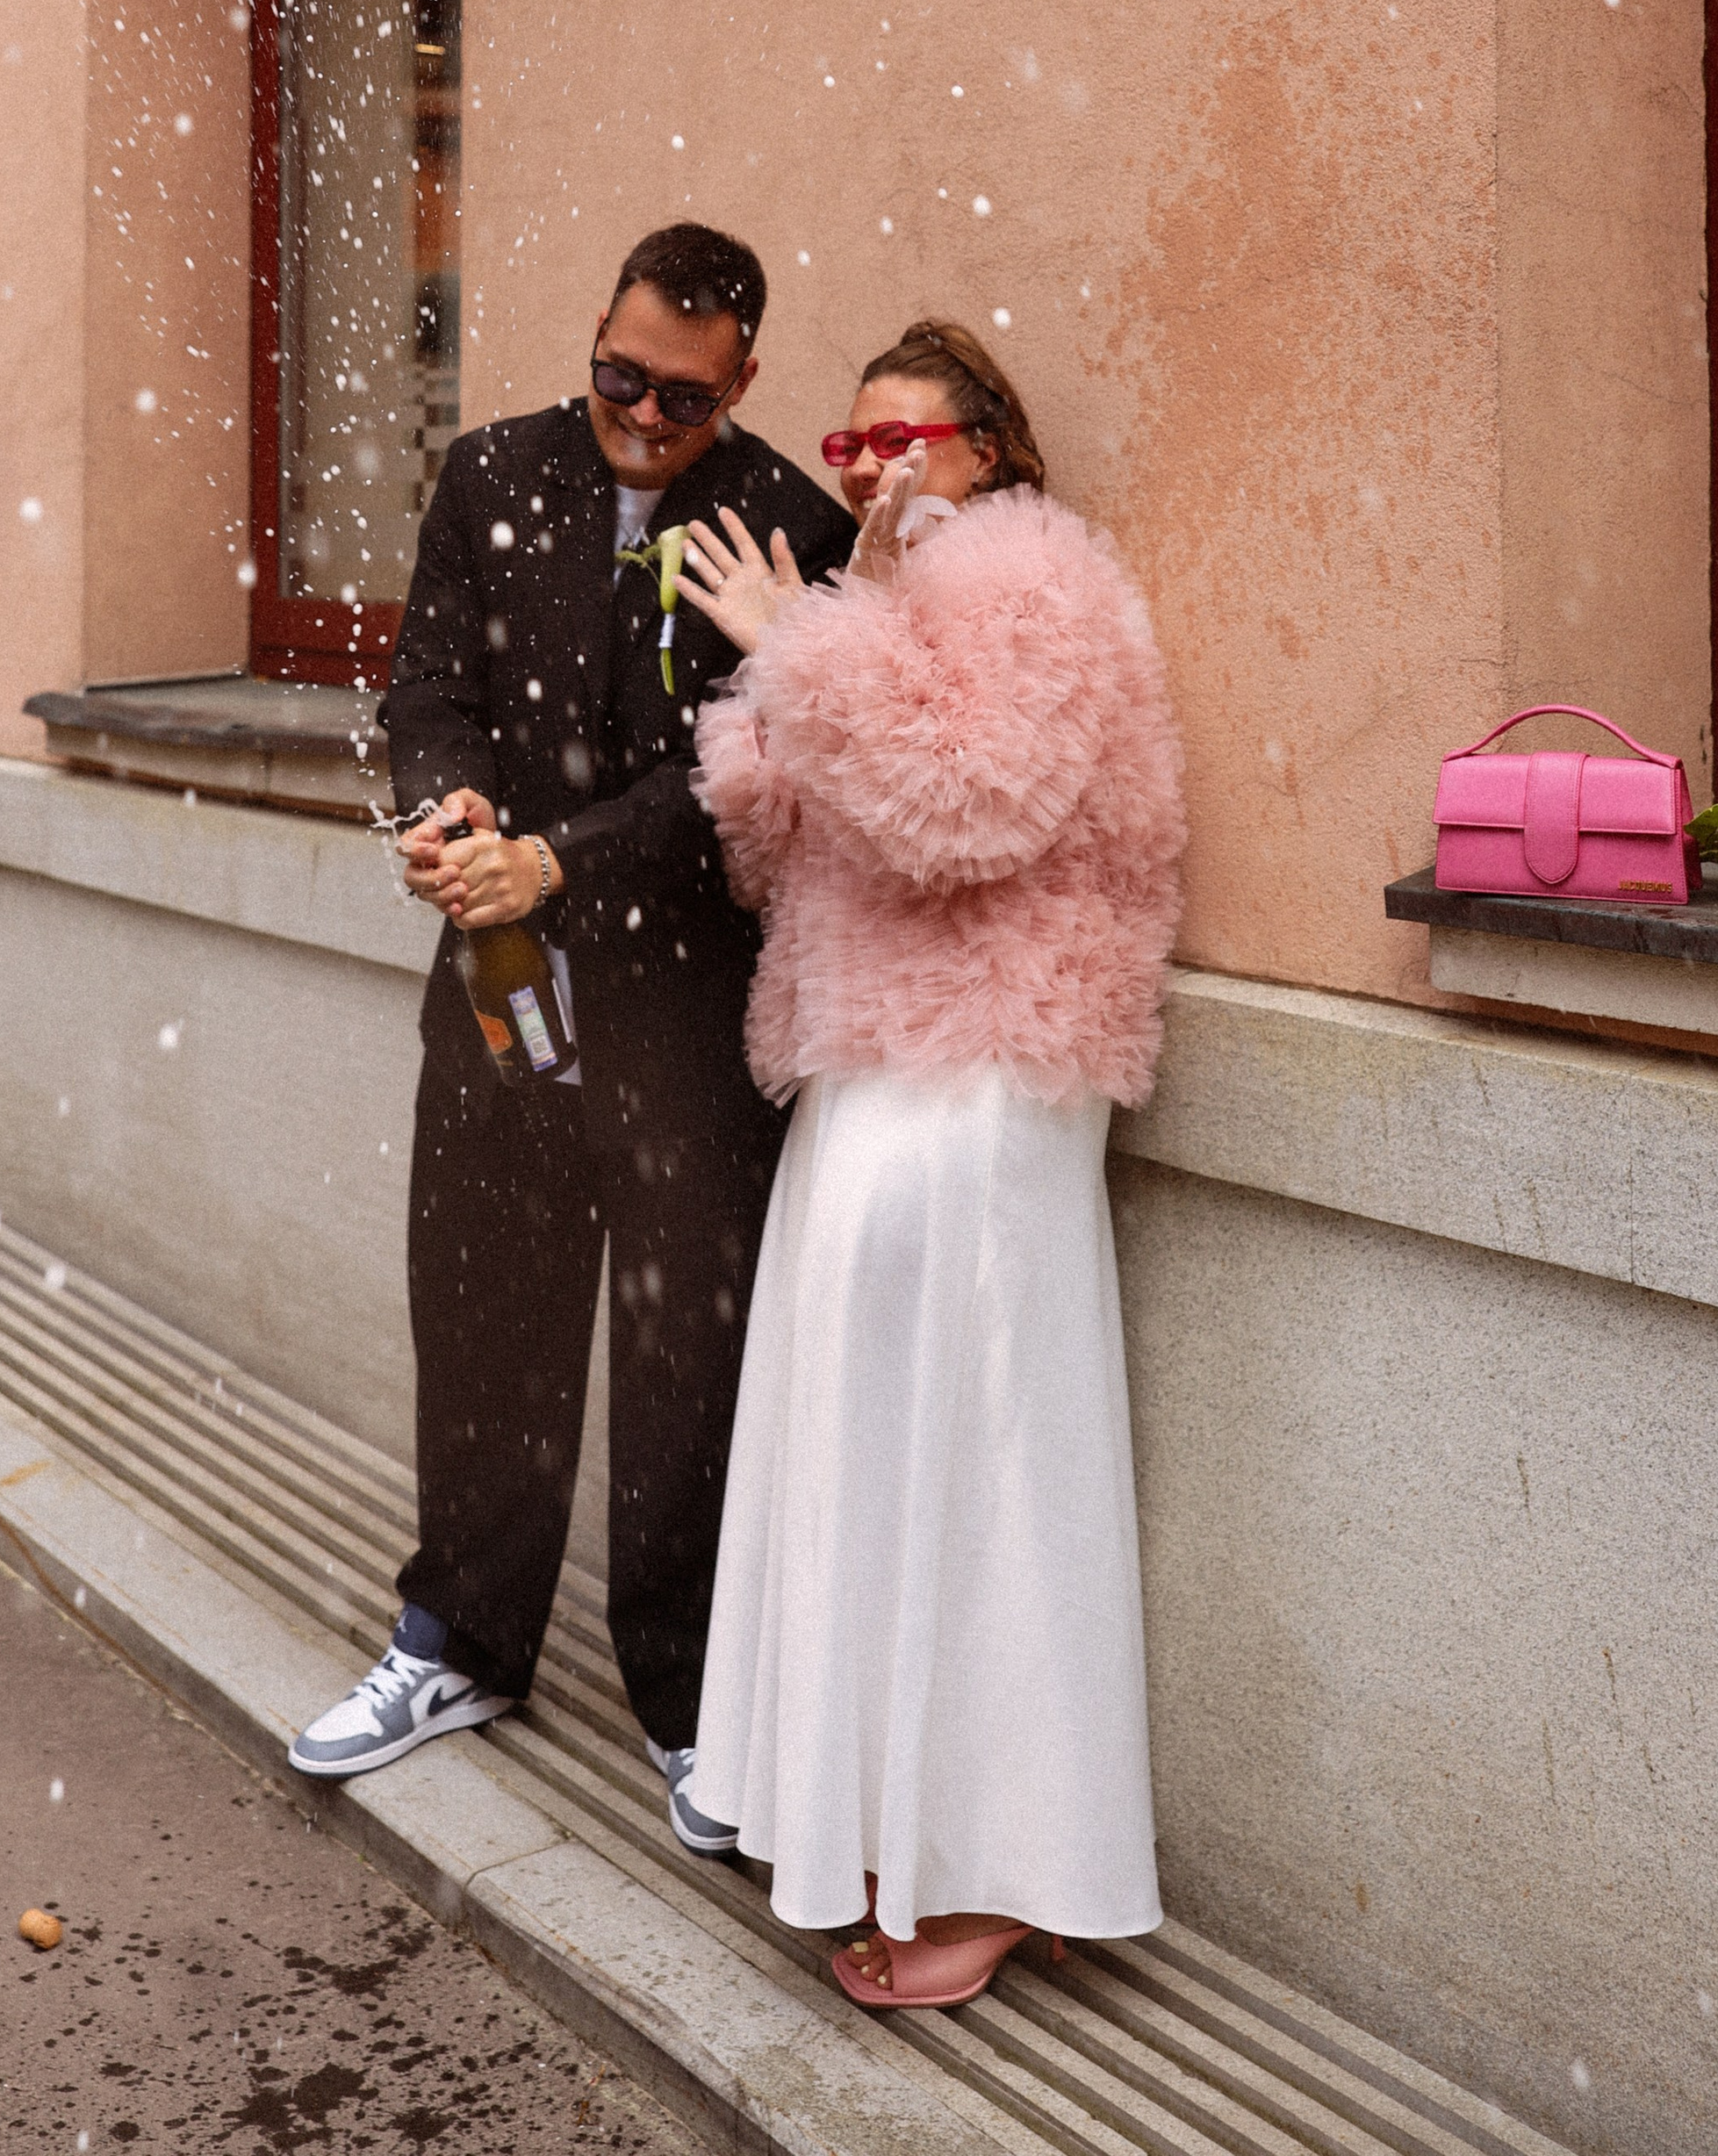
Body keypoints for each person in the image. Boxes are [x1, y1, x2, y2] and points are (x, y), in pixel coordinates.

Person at [288, 223, 854, 1855]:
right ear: (592, 339)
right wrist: (446, 812)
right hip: (496, 987)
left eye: (685, 397)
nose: (645, 416)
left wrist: (561, 855)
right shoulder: (486, 474)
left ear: (743, 382)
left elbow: (748, 775)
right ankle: (457, 1643)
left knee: (688, 1370)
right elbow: (425, 692)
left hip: (684, 1013)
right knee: (479, 1311)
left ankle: (693, 1710)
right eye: (621, 377)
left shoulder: (791, 531)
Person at [672, 320, 1184, 2008]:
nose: (881, 471)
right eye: (856, 445)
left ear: (993, 453)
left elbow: (977, 808)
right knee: (861, 1447)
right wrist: (774, 681)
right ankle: (880, 1821)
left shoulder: (1039, 579)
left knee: (980, 1464)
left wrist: (798, 651)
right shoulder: (873, 611)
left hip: (986, 1069)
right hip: (872, 1066)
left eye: (916, 441)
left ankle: (1003, 1860)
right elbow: (790, 859)